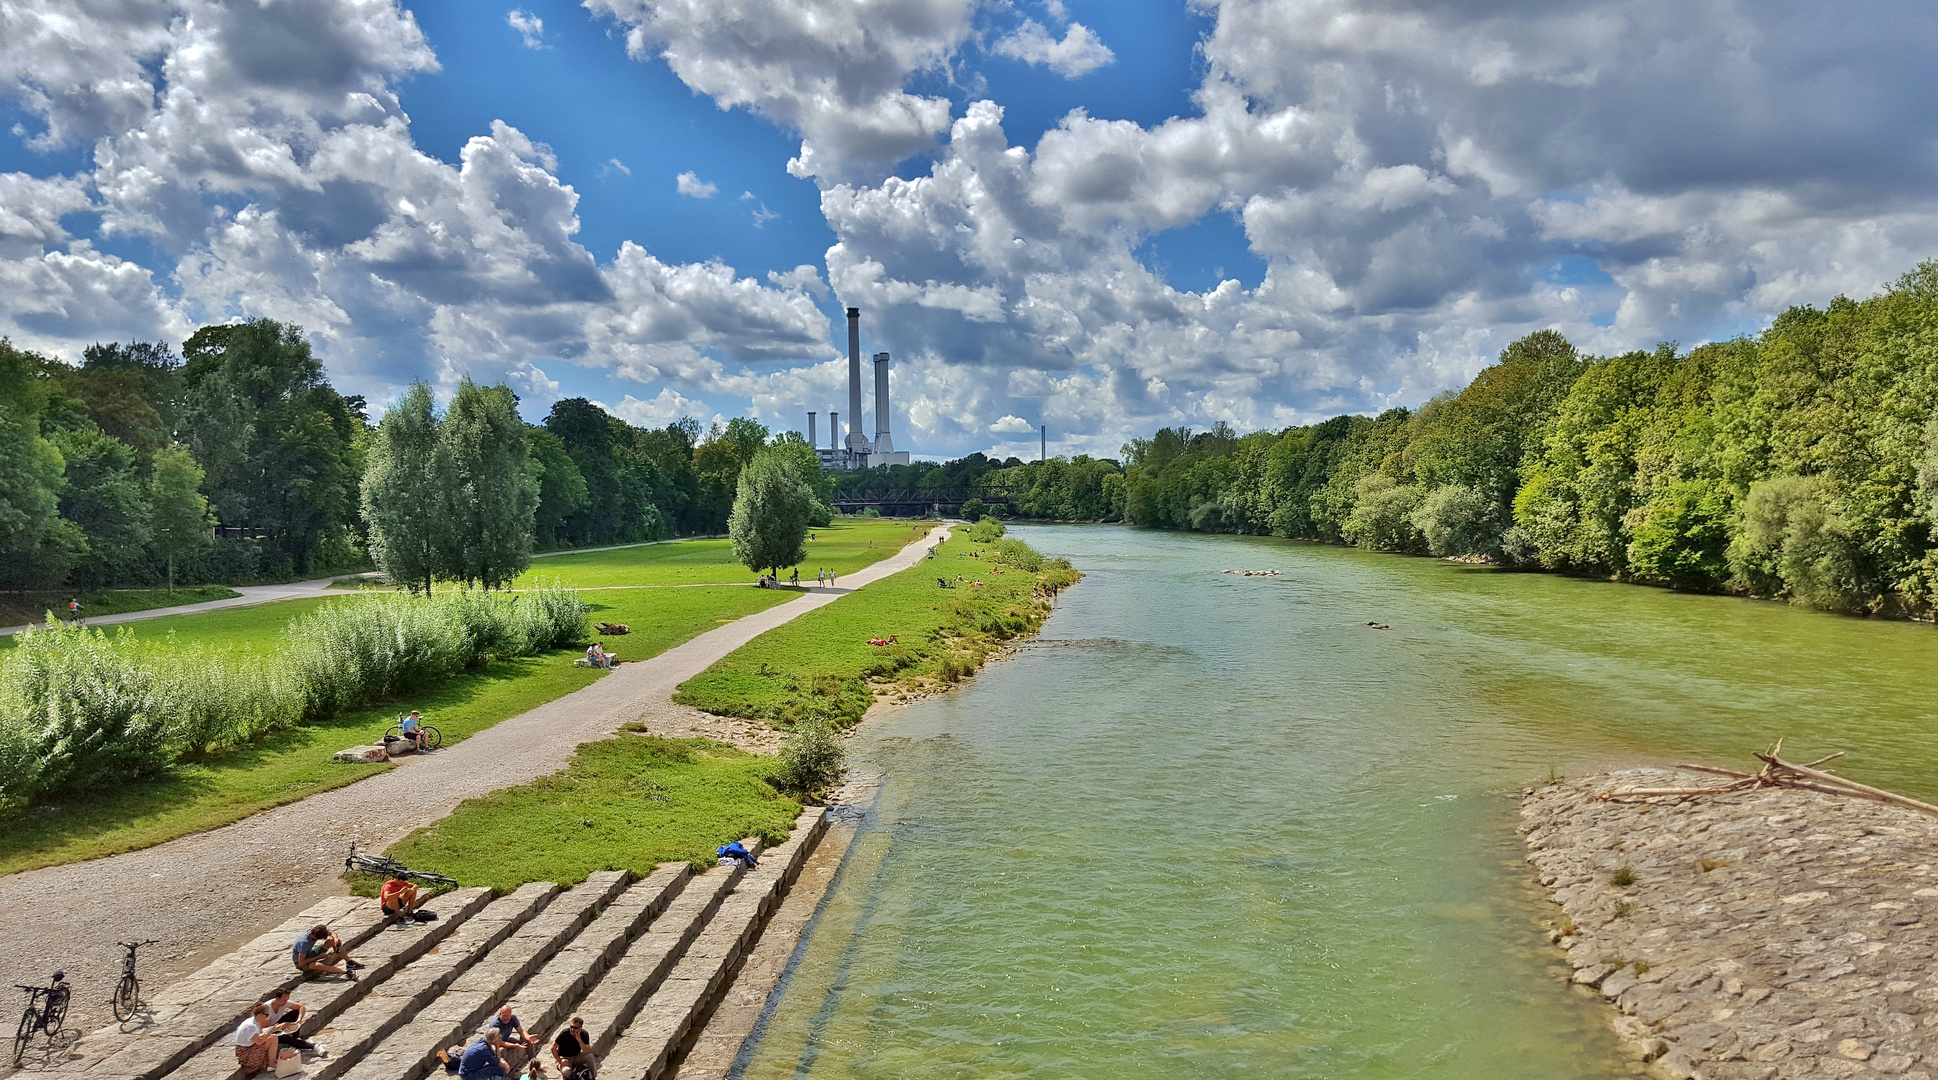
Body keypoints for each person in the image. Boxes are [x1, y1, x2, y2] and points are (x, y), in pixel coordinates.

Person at [234, 1004, 299, 1077]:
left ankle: (272, 1063)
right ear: (261, 1015)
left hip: (249, 1047)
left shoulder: (254, 1021)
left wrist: (276, 1028)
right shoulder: (250, 1026)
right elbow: (259, 1042)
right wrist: (270, 1031)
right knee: (272, 1038)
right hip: (246, 1053)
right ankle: (271, 1064)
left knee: (273, 1038)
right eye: (267, 1015)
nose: (268, 1017)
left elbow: (259, 1036)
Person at [262, 987, 323, 1057]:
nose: (286, 1002)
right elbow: (264, 1028)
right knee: (284, 1038)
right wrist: (278, 1028)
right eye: (284, 1000)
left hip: (277, 1024)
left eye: (287, 1000)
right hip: (267, 1031)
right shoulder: (266, 1008)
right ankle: (313, 1046)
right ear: (277, 999)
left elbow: (301, 1007)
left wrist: (299, 1020)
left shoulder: (284, 1003)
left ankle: (296, 1037)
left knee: (296, 1012)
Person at [292, 923, 360, 980]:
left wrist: (336, 940)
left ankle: (349, 962)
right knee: (318, 965)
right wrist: (318, 957)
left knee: (332, 941)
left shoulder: (314, 930)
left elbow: (332, 933)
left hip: (309, 954)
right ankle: (347, 972)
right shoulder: (303, 943)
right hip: (301, 963)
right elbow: (301, 962)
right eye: (315, 939)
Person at [487, 1006, 534, 1070]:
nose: (506, 1018)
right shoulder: (495, 1025)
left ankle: (534, 1064)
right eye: (504, 1015)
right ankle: (503, 1072)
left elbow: (521, 1031)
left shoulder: (513, 1018)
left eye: (508, 1015)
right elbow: (499, 1042)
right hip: (497, 1043)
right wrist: (515, 1045)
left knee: (527, 1041)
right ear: (500, 1014)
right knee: (501, 1051)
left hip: (506, 1039)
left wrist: (528, 1037)